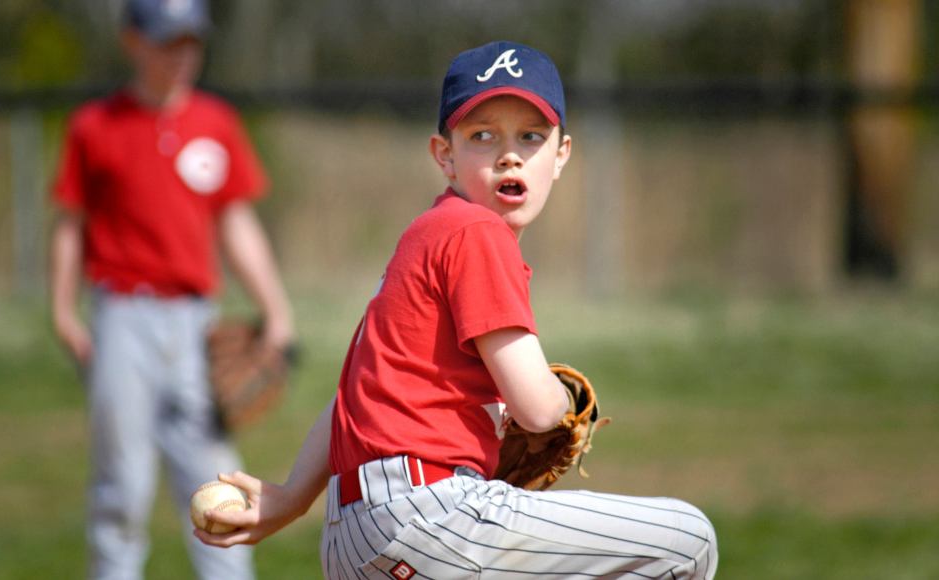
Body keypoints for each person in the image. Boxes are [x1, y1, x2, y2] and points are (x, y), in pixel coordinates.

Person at [196, 40, 718, 579]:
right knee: (688, 539)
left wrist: (293, 497)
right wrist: (561, 396)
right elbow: (540, 411)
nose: (509, 154)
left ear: (561, 154)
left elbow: (350, 396)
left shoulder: (425, 237)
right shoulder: (477, 232)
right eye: (482, 136)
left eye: (531, 136)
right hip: (431, 517)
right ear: (444, 156)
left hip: (353, 534)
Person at [49, 0, 294, 578]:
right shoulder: (96, 126)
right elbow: (69, 225)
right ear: (132, 40)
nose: (182, 55)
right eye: (167, 41)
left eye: (191, 42)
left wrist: (275, 309)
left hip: (194, 322)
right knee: (123, 478)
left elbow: (235, 223)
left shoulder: (214, 122)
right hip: (121, 316)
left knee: (215, 475)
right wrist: (63, 311)